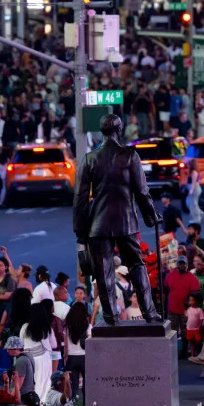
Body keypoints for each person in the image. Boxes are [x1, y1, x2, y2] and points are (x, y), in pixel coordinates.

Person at [73, 114, 162, 325]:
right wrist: (151, 217)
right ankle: (149, 312)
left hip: (99, 223)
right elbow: (142, 191)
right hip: (126, 222)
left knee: (103, 272)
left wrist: (80, 230)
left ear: (101, 132)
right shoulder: (130, 156)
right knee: (137, 265)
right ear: (119, 130)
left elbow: (80, 199)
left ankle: (111, 316)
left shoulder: (90, 159)